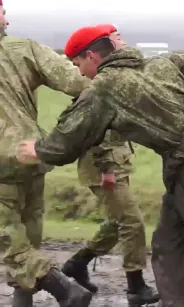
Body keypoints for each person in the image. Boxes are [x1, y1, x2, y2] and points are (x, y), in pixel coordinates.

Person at [16, 25, 184, 307]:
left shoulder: (104, 87)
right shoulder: (161, 63)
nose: (81, 73)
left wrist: (38, 149)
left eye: (78, 64)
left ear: (91, 56)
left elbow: (68, 140)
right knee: (169, 247)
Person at [0, 1, 94, 306]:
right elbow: (80, 83)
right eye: (3, 11)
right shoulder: (25, 48)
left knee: (11, 247)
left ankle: (66, 291)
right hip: (32, 155)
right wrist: (68, 132)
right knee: (27, 239)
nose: (7, 19)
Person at [59, 23, 159, 306]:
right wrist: (107, 170)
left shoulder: (114, 73)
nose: (122, 41)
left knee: (117, 224)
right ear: (101, 46)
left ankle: (78, 263)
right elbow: (94, 128)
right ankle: (135, 287)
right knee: (132, 222)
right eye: (116, 37)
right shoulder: (97, 81)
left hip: (114, 162)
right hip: (103, 165)